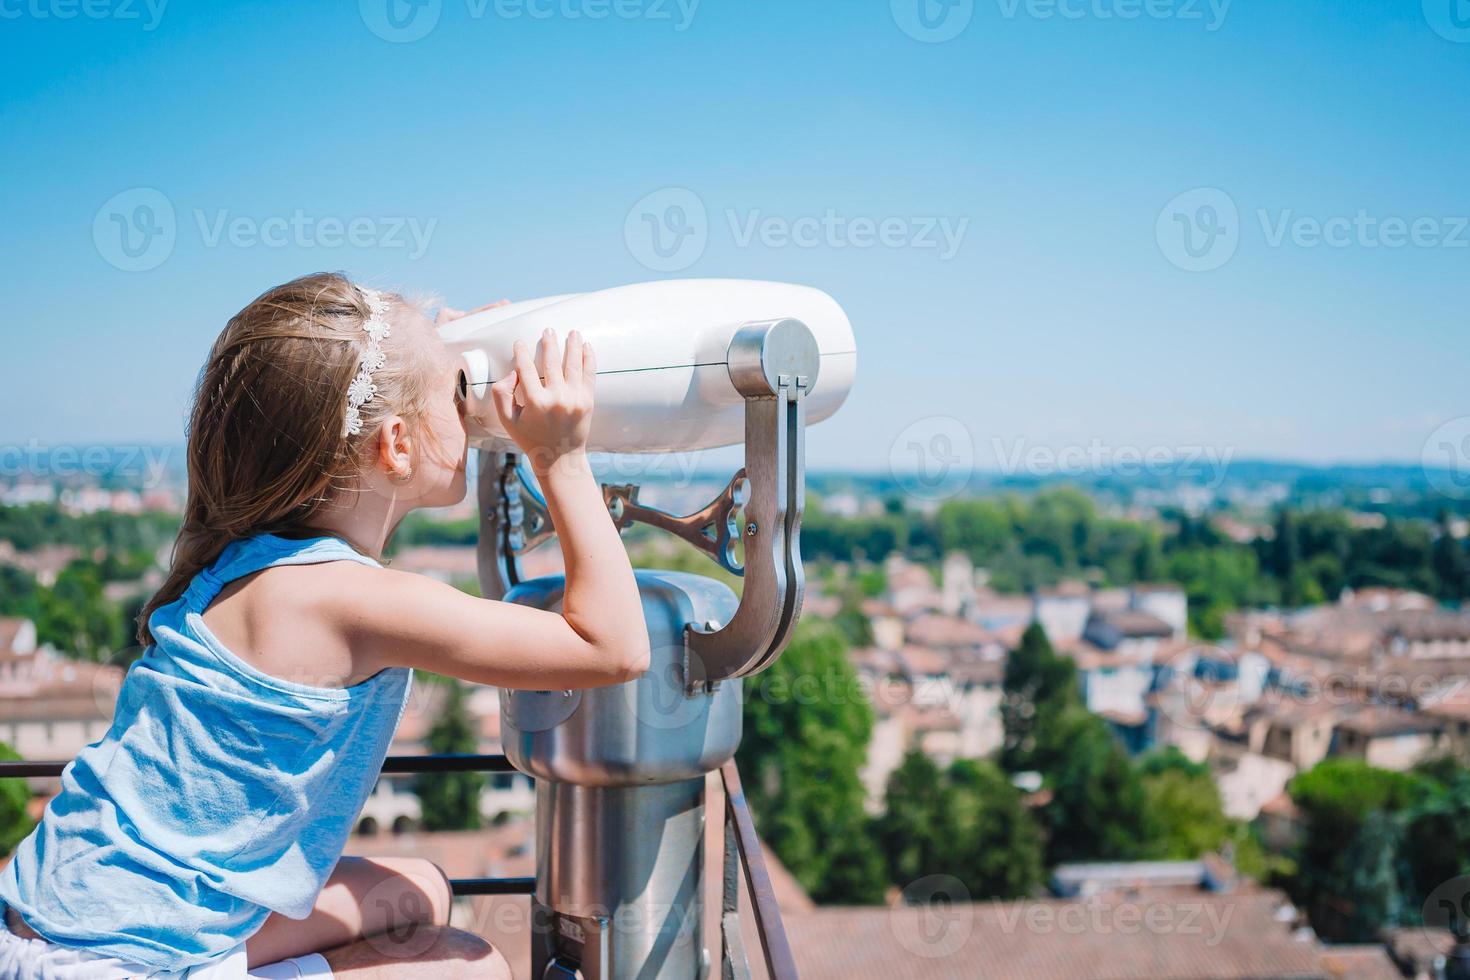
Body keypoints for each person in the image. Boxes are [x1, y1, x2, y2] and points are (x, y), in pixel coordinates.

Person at [0, 273, 651, 978]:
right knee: (474, 964)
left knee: (418, 893)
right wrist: (561, 457)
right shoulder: (352, 601)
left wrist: (448, 355)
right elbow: (611, 645)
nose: (470, 408)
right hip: (111, 963)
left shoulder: (249, 559)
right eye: (456, 394)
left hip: (50, 906)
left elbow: (396, 392)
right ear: (396, 444)